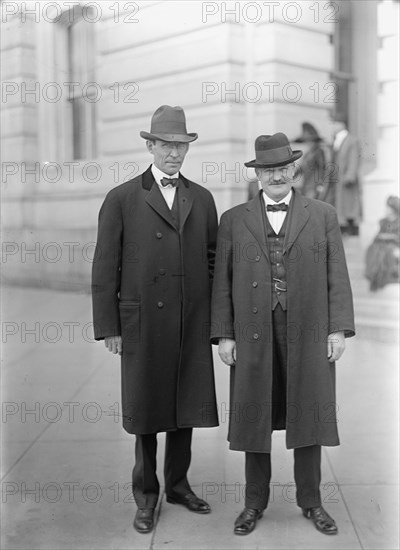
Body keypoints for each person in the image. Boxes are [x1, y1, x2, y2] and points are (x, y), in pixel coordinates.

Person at [211, 133, 355, 536]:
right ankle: (253, 503)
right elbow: (222, 282)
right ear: (257, 175)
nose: (275, 176)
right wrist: (225, 335)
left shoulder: (322, 215)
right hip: (252, 332)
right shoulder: (233, 220)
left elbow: (336, 277)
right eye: (267, 170)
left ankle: (312, 502)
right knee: (255, 415)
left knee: (309, 414)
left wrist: (337, 329)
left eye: (282, 168)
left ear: (294, 171)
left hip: (308, 331)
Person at [92, 105, 219, 534]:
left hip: (190, 319)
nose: (174, 154)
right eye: (166, 145)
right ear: (150, 146)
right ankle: (146, 495)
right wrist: (109, 326)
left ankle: (179, 486)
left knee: (184, 406)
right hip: (142, 322)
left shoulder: (201, 198)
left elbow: (213, 261)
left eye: (181, 146)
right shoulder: (122, 198)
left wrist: (217, 321)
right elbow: (105, 266)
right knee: (146, 412)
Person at [327, 115, 362, 235]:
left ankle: (350, 226)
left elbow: (354, 158)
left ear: (341, 124)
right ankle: (342, 225)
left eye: (333, 123)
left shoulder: (351, 140)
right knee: (340, 203)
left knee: (349, 203)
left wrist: (350, 174)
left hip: (346, 178)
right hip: (337, 177)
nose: (331, 126)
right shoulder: (336, 140)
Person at [365, 195, 400, 291]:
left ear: (394, 208)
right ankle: (374, 274)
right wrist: (381, 237)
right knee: (373, 248)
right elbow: (377, 236)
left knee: (386, 251)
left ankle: (383, 276)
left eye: (389, 207)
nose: (387, 209)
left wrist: (389, 236)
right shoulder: (383, 221)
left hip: (394, 244)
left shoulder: (398, 221)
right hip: (382, 244)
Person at [293, 122, 327, 199]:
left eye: (310, 141)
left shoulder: (319, 152)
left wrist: (320, 184)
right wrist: (292, 176)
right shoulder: (308, 153)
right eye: (307, 141)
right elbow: (301, 167)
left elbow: (322, 167)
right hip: (306, 185)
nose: (308, 143)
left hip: (313, 186)